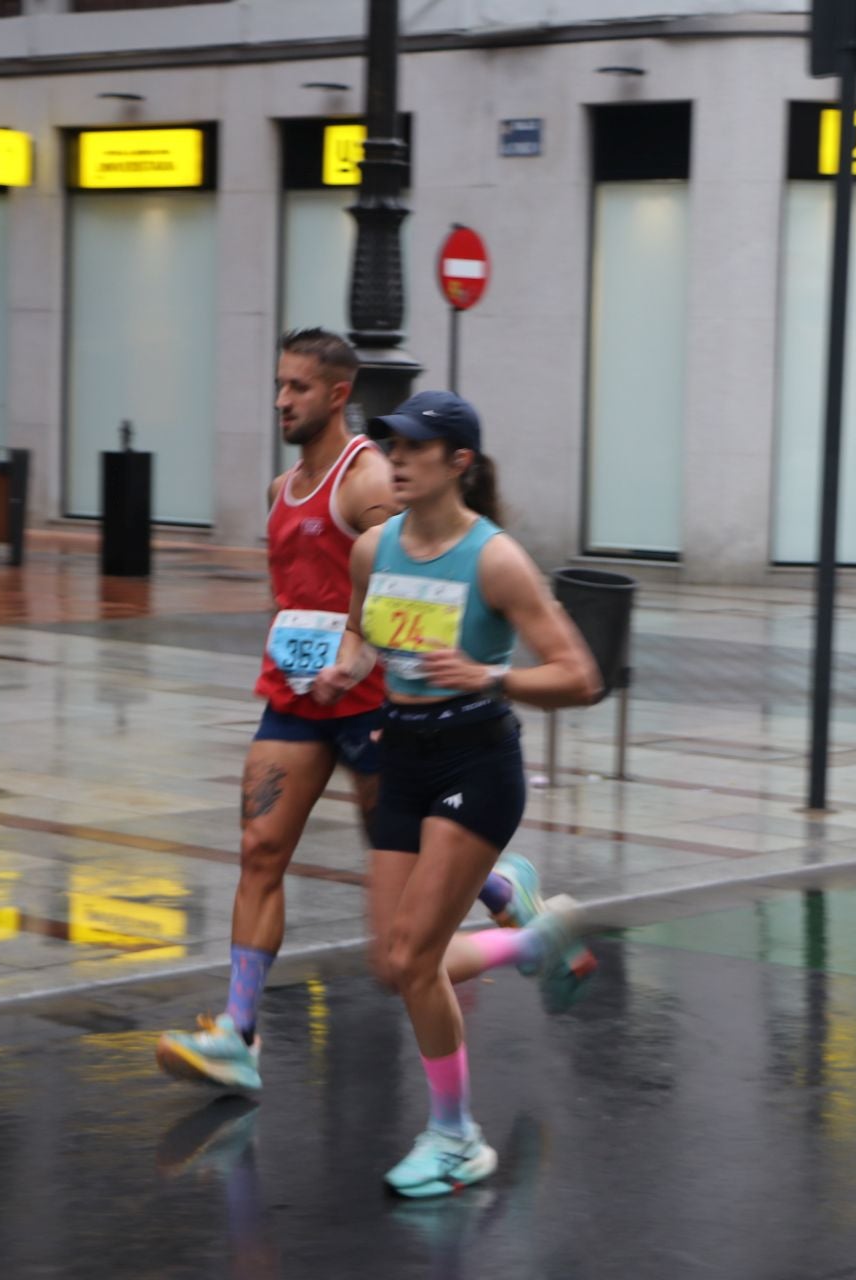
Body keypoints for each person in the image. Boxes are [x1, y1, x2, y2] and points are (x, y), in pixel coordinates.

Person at [156, 334, 568, 1093]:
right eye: (279, 385)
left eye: (299, 388)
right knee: (259, 848)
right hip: (298, 695)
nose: (282, 400)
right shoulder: (283, 488)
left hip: (381, 709)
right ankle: (238, 1035)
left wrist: (431, 666)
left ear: (338, 394)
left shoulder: (371, 481)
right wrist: (307, 645)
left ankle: (504, 893)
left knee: (410, 882)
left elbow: (421, 562)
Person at [314, 389, 601, 1198]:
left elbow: (580, 676)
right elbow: (366, 633)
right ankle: (530, 940)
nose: (394, 458)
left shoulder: (495, 560)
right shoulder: (375, 549)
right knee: (393, 963)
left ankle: (456, 1138)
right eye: (390, 444)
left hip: (476, 760)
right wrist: (348, 667)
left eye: (412, 446)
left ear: (458, 463)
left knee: (413, 958)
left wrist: (491, 674)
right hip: (398, 756)